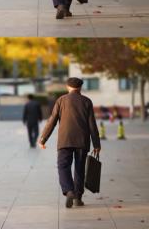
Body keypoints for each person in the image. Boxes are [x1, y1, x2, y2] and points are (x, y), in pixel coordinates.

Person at [39, 77, 101, 209]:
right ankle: (78, 198)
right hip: (82, 141)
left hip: (65, 140)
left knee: (63, 166)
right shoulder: (87, 101)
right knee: (79, 169)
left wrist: (43, 138)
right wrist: (96, 144)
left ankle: (69, 190)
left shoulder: (61, 100)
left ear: (68, 87)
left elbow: (52, 120)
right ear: (80, 88)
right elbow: (92, 124)